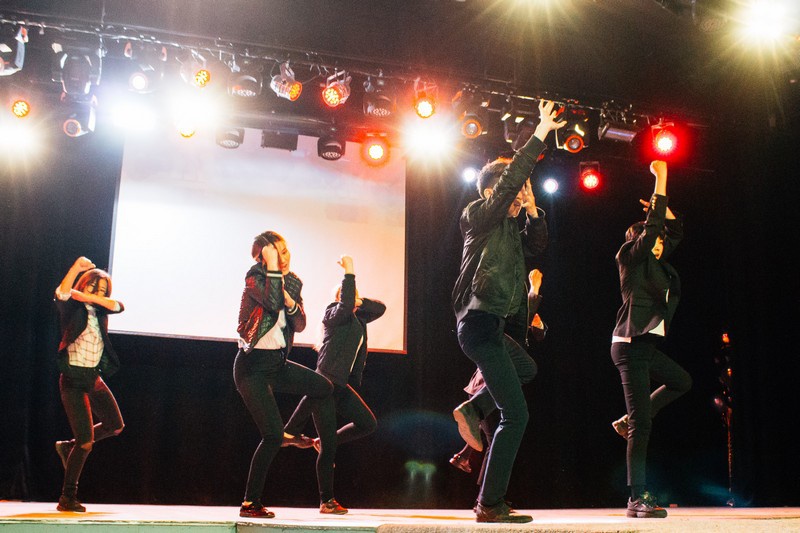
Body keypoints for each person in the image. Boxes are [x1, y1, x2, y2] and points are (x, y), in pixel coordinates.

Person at [451, 99, 564, 523]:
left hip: (493, 327)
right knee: (516, 415)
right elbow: (510, 179)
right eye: (513, 192)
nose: (518, 197)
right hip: (478, 321)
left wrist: (533, 211)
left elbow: (538, 244)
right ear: (491, 193)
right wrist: (540, 134)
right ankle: (489, 503)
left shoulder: (511, 232)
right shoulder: (478, 216)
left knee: (528, 368)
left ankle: (474, 408)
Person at [234, 231, 339, 518]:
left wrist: (292, 302)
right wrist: (271, 267)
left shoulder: (293, 281)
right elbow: (270, 302)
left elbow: (300, 323)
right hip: (252, 368)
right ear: (263, 256)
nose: (283, 257)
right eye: (276, 252)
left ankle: (290, 432)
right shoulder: (254, 277)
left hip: (277, 364)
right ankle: (250, 503)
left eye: (285, 250)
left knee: (323, 387)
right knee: (271, 436)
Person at [609, 160, 692, 518]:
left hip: (646, 347)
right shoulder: (630, 258)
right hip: (630, 346)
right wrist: (661, 180)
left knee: (681, 381)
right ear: (639, 241)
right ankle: (635, 498)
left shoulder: (658, 265)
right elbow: (655, 229)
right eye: (652, 240)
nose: (659, 245)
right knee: (642, 425)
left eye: (659, 243)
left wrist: (664, 213)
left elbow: (674, 231)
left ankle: (627, 420)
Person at [282, 255, 386, 508]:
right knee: (329, 449)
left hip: (341, 385)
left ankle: (307, 437)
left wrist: (361, 302)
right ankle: (326, 500)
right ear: (339, 299)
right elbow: (345, 302)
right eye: (347, 295)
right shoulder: (333, 314)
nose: (351, 298)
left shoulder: (359, 319)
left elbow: (381, 308)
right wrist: (349, 272)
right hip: (325, 383)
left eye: (354, 296)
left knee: (368, 423)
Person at [450, 270, 547, 478]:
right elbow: (525, 314)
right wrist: (535, 287)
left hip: (496, 377)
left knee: (492, 433)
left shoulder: (518, 322)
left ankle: (464, 458)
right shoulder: (507, 305)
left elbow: (537, 332)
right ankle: (486, 494)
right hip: (487, 380)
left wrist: (538, 325)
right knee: (495, 437)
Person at [53, 257, 126, 512]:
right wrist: (76, 268)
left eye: (103, 290)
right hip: (73, 380)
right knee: (86, 442)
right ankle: (67, 498)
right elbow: (63, 293)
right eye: (93, 287)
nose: (98, 293)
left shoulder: (102, 310)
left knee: (115, 425)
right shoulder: (72, 308)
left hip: (93, 378)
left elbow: (119, 305)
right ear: (84, 284)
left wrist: (90, 297)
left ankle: (68, 447)